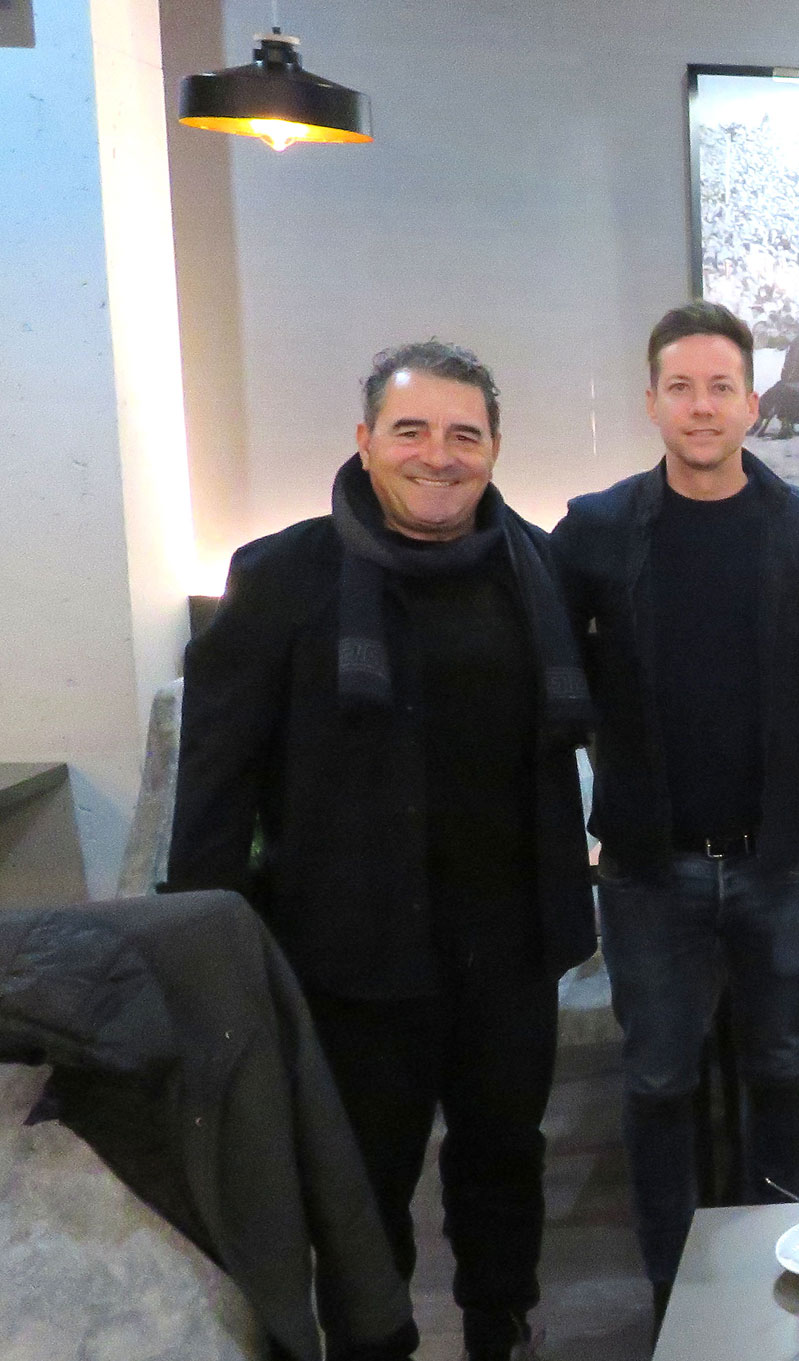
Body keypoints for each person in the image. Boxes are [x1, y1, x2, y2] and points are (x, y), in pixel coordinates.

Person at [170, 341, 595, 1361]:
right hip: (354, 957)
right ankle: (377, 1340)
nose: (437, 455)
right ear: (365, 442)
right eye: (411, 430)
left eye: (464, 434)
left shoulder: (536, 566)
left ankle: (503, 1326)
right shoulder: (282, 577)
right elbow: (218, 780)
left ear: (493, 448)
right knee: (364, 1182)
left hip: (508, 948)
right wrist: (203, 954)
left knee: (505, 1159)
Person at [551, 302, 799, 1334]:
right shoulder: (593, 528)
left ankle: (778, 1260)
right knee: (660, 1075)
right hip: (647, 866)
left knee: (783, 1064)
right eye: (682, 386)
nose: (703, 405)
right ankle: (674, 1286)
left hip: (778, 859)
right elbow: (557, 678)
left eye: (722, 386)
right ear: (652, 402)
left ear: (753, 402)